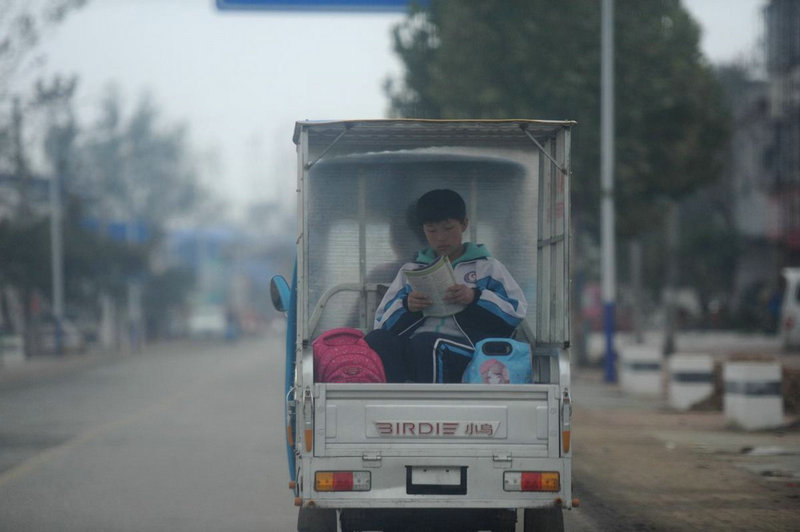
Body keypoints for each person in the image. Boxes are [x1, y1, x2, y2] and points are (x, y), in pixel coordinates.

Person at [365, 189, 527, 383]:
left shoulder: (487, 267)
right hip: (418, 346)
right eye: (432, 230)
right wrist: (408, 306)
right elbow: (382, 323)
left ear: (464, 224)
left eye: (448, 228)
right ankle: (392, 407)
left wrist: (474, 298)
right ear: (423, 230)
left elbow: (515, 312)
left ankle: (428, 411)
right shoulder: (411, 270)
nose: (441, 237)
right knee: (377, 340)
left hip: (468, 350)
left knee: (427, 345)